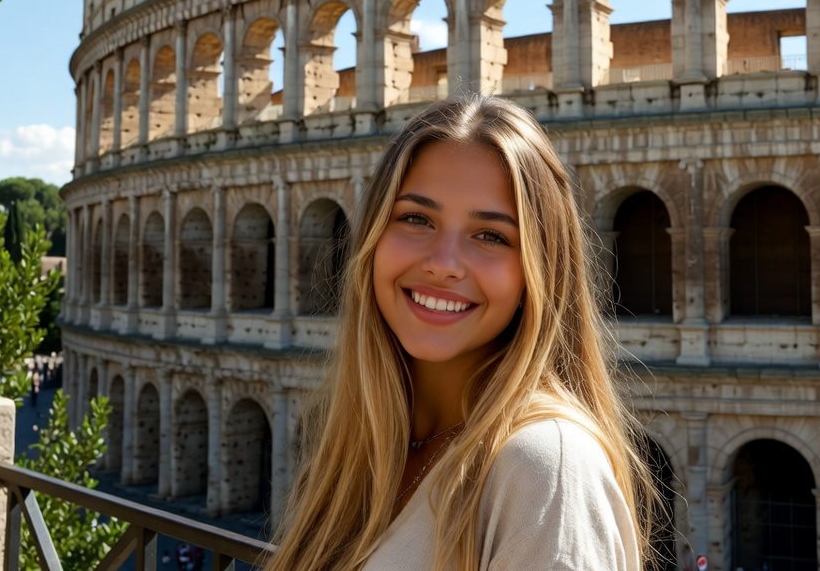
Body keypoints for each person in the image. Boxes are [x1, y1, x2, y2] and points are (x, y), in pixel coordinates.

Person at [269, 95, 658, 571]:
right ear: (371, 236)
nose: (443, 264)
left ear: (540, 267)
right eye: (416, 218)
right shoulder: (366, 446)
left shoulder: (545, 468)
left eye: (491, 235)